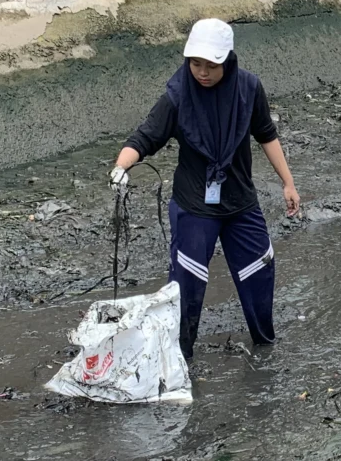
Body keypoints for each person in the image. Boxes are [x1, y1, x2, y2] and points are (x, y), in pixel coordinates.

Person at [110, 18, 302, 361]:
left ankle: (265, 348)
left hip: (240, 202)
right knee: (187, 288)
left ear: (227, 59)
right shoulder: (178, 94)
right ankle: (181, 359)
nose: (202, 72)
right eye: (195, 63)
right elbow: (144, 137)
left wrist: (288, 182)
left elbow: (266, 134)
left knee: (260, 272)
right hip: (194, 207)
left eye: (211, 65)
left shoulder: (248, 88)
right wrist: (121, 167)